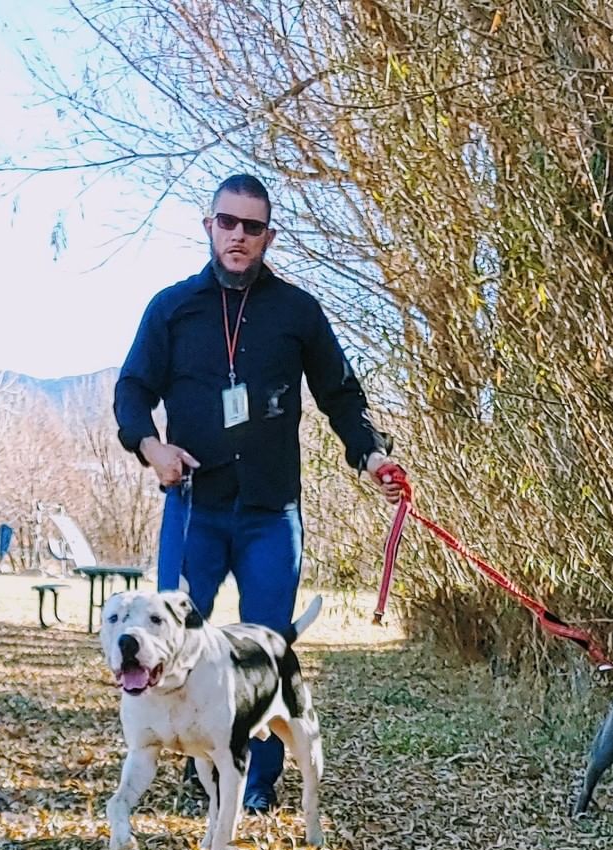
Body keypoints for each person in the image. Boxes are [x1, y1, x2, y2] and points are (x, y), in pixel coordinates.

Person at [114, 173, 401, 813]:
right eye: (227, 222)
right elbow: (131, 391)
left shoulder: (297, 312)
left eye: (252, 226)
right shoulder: (171, 308)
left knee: (268, 647)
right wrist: (151, 447)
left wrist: (371, 455)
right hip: (195, 509)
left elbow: (341, 395)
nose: (238, 236)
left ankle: (257, 781)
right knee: (179, 641)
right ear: (208, 226)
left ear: (268, 236)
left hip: (273, 515)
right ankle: (197, 765)